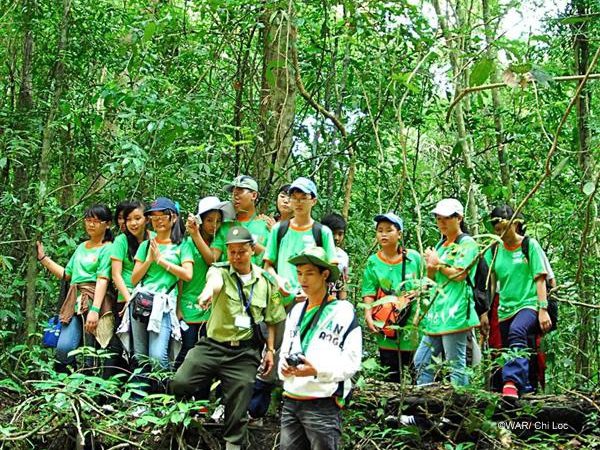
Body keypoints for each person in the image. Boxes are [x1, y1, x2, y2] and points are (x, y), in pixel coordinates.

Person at [170, 226, 286, 450]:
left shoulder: (266, 282)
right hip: (212, 346)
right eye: (232, 252)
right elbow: (213, 284)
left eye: (241, 251)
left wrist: (270, 350)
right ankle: (185, 423)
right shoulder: (219, 270)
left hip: (244, 353)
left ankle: (233, 444)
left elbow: (273, 319)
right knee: (180, 382)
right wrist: (205, 295)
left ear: (252, 250)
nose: (236, 257)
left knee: (239, 401)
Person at [278, 246, 362, 450]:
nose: (302, 280)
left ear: (325, 275)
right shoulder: (296, 310)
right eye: (299, 273)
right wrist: (284, 369)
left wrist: (317, 371)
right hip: (291, 400)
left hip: (322, 402)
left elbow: (352, 363)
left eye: (309, 273)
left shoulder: (343, 311)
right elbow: (285, 350)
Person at [37, 204, 117, 375]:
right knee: (64, 347)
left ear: (107, 224)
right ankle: (65, 384)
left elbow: (103, 279)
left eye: (96, 221)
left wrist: (95, 310)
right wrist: (43, 259)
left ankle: (88, 391)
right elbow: (67, 274)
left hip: (96, 301)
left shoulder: (109, 247)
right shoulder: (82, 247)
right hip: (75, 302)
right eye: (88, 220)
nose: (91, 224)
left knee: (91, 351)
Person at [484, 205, 551, 398]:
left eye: (504, 228)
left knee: (518, 331)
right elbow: (489, 282)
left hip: (528, 304)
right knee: (511, 348)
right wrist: (485, 313)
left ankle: (511, 381)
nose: (501, 233)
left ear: (515, 224)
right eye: (496, 230)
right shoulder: (494, 249)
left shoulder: (529, 245)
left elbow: (540, 278)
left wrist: (543, 309)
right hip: (505, 308)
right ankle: (525, 393)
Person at [413, 199, 480, 386]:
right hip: (436, 313)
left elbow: (459, 274)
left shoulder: (467, 244)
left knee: (455, 364)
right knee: (421, 361)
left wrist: (438, 263)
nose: (442, 222)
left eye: (447, 218)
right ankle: (422, 409)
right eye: (438, 218)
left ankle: (460, 410)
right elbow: (432, 277)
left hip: (455, 311)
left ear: (459, 218)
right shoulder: (441, 245)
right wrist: (431, 266)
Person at [129, 197, 193, 370]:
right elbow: (134, 279)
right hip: (141, 301)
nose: (158, 220)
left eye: (163, 215)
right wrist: (150, 259)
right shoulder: (145, 245)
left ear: (173, 217)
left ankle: (163, 394)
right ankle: (141, 395)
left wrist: (161, 261)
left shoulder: (183, 245)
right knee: (141, 355)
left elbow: (187, 275)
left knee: (157, 356)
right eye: (154, 216)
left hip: (164, 305)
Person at [362, 213, 423, 382]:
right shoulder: (373, 262)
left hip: (412, 326)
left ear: (399, 234)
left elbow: (426, 283)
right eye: (380, 230)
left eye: (389, 230)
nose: (383, 234)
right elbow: (369, 291)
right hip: (386, 325)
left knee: (416, 374)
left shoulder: (413, 258)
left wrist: (414, 294)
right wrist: (368, 315)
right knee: (390, 376)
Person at [175, 196, 234, 369]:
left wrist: (196, 235)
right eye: (209, 220)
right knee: (186, 350)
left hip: (211, 308)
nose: (213, 225)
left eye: (218, 221)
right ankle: (176, 393)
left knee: (208, 355)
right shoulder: (186, 244)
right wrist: (178, 307)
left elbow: (212, 259)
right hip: (188, 306)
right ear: (200, 220)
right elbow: (180, 278)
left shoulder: (219, 242)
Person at [211, 175, 270, 266]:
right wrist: (196, 234)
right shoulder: (225, 226)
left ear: (254, 195)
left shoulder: (266, 226)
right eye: (234, 193)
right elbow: (213, 258)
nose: (235, 196)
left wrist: (254, 247)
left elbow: (275, 260)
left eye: (240, 191)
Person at [321, 212, 350, 300]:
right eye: (332, 233)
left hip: (333, 301)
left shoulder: (343, 256)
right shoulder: (317, 252)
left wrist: (342, 303)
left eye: (340, 234)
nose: (336, 237)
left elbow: (343, 282)